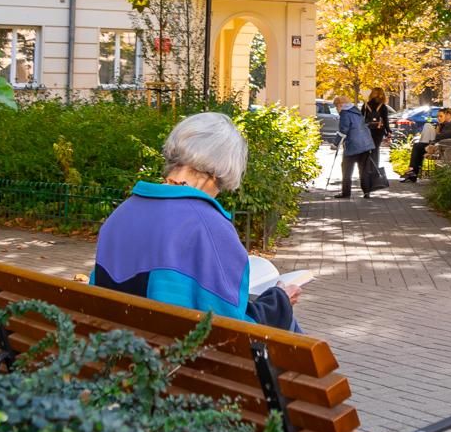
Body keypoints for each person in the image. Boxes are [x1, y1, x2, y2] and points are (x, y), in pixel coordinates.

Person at [91, 112, 302, 331]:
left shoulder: (122, 212)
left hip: (122, 351)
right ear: (220, 168)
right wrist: (279, 301)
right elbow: (231, 329)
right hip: (176, 358)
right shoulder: (208, 226)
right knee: (292, 330)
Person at [335, 96, 377, 199]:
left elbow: (343, 130)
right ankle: (367, 192)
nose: (336, 109)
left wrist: (335, 144)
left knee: (346, 169)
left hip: (353, 145)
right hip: (365, 144)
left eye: (336, 106)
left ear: (340, 105)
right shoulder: (356, 111)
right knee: (363, 170)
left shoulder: (345, 113)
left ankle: (346, 193)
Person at [363, 87, 392, 180]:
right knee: (375, 150)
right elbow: (386, 120)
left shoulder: (365, 105)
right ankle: (375, 172)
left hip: (367, 131)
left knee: (367, 151)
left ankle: (367, 170)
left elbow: (361, 119)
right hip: (379, 131)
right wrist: (388, 132)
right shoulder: (383, 106)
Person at [402, 114, 439, 182]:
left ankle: (412, 171)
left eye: (441, 116)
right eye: (438, 116)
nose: (439, 118)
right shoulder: (443, 125)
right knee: (418, 147)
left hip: (439, 147)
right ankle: (413, 172)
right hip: (435, 145)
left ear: (449, 115)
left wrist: (436, 134)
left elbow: (444, 137)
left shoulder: (450, 126)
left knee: (417, 146)